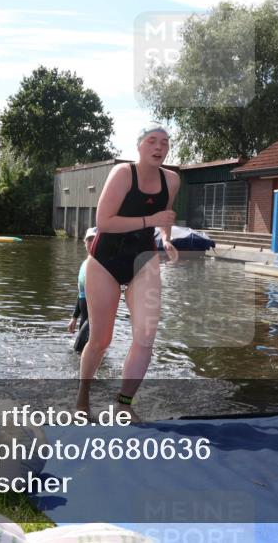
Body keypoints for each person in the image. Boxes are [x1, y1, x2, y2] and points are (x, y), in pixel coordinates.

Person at [77, 125, 180, 416]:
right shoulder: (122, 174)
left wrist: (167, 238)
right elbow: (104, 222)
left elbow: (165, 217)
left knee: (146, 337)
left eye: (164, 142)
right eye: (152, 141)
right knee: (101, 340)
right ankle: (82, 399)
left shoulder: (172, 180)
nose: (159, 147)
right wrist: (151, 221)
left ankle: (123, 405)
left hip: (143, 260)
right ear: (139, 146)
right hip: (105, 261)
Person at [68, 227, 96, 353]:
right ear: (84, 242)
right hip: (84, 318)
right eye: (89, 240)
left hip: (96, 318)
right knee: (80, 353)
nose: (91, 243)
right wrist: (74, 318)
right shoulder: (85, 264)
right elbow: (81, 294)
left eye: (94, 239)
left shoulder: (103, 264)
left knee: (79, 350)